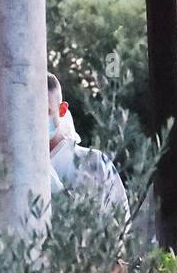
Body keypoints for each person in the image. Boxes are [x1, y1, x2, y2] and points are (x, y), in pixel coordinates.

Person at [47, 73, 129, 223]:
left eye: (47, 111)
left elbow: (115, 228)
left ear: (62, 110)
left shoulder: (93, 162)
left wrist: (56, 192)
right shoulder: (12, 166)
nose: (38, 120)